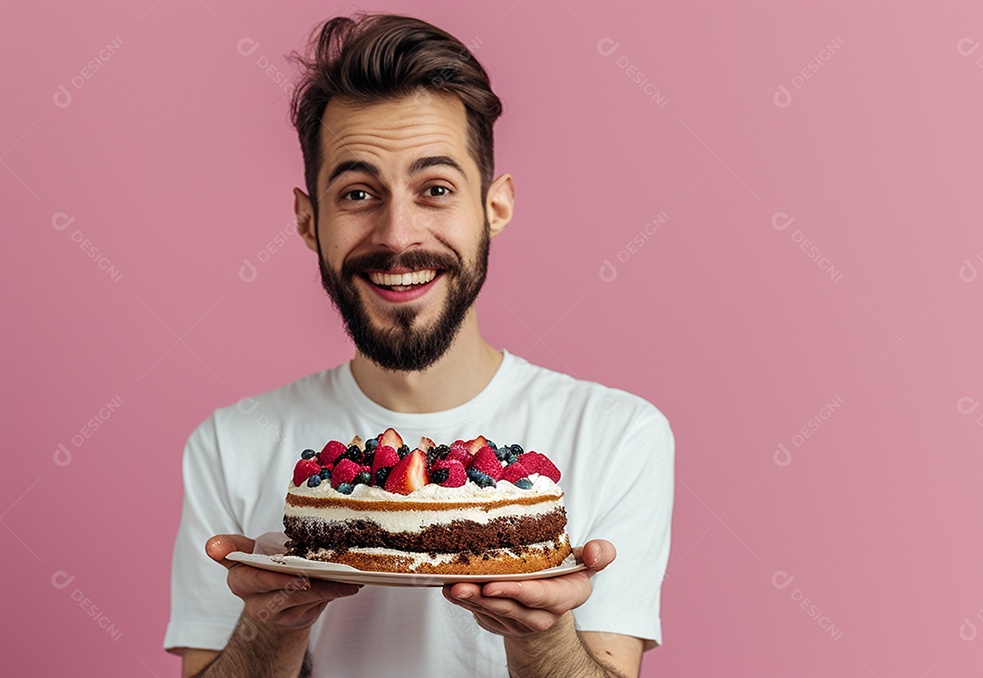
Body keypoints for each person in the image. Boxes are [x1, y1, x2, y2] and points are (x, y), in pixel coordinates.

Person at [164, 12, 674, 677]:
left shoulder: (616, 433)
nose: (397, 234)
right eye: (357, 193)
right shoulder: (231, 443)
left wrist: (542, 635)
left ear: (494, 207)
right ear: (308, 220)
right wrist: (269, 629)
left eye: (435, 190)